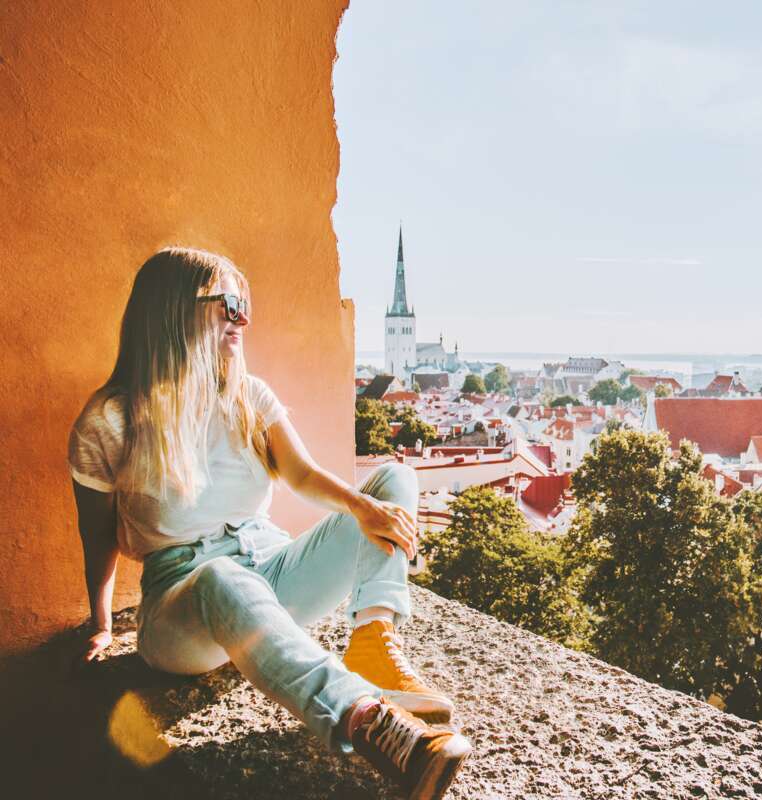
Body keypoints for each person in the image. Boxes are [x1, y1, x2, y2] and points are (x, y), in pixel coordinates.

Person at [67, 247, 470, 798]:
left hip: (271, 568)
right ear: (174, 310)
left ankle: (373, 640)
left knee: (394, 482)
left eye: (245, 305)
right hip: (185, 603)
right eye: (229, 305)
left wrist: (362, 506)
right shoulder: (109, 421)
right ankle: (365, 719)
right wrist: (100, 623)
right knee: (222, 577)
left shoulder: (248, 396)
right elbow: (96, 535)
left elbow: (301, 474)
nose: (243, 319)